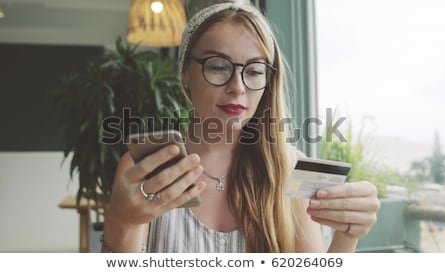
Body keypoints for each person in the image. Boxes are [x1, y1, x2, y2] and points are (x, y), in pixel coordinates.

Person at [102, 0, 380, 253]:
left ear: (268, 80)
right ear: (186, 72)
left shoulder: (293, 170)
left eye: (255, 71)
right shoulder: (144, 170)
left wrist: (348, 234)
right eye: (218, 67)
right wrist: (122, 223)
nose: (237, 87)